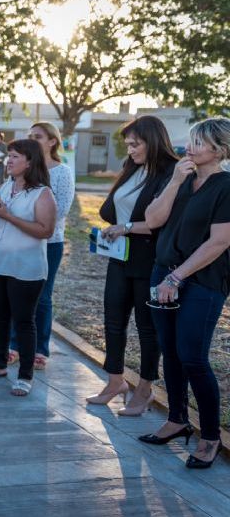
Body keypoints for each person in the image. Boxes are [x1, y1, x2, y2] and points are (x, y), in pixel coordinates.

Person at [140, 117, 230, 469]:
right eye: (191, 140)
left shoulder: (225, 187)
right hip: (164, 273)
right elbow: (152, 219)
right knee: (171, 353)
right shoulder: (181, 177)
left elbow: (220, 242)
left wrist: (176, 278)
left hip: (201, 280)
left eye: (199, 142)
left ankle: (210, 437)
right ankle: (177, 420)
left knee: (193, 356)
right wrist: (176, 181)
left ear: (219, 150)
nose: (189, 146)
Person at [85, 116, 177, 415]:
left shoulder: (171, 173)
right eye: (128, 144)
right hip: (120, 257)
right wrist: (117, 228)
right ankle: (115, 381)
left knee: (147, 329)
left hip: (150, 260)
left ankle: (145, 389)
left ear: (153, 141)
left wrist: (125, 227)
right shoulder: (131, 168)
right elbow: (113, 209)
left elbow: (161, 223)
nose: (131, 150)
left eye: (135, 144)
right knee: (113, 321)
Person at [0, 139, 56, 396]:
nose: (8, 160)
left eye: (15, 157)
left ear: (30, 162)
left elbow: (45, 230)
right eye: (9, 156)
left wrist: (8, 215)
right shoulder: (6, 186)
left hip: (26, 268)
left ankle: (25, 376)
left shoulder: (42, 193)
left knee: (23, 321)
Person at [8, 123, 74, 370]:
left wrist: (32, 222)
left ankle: (40, 349)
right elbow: (12, 201)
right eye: (29, 136)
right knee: (16, 293)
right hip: (20, 240)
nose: (32, 140)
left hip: (49, 242)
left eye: (38, 136)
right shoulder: (23, 168)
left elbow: (62, 209)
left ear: (52, 141)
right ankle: (14, 345)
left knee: (42, 297)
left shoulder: (61, 172)